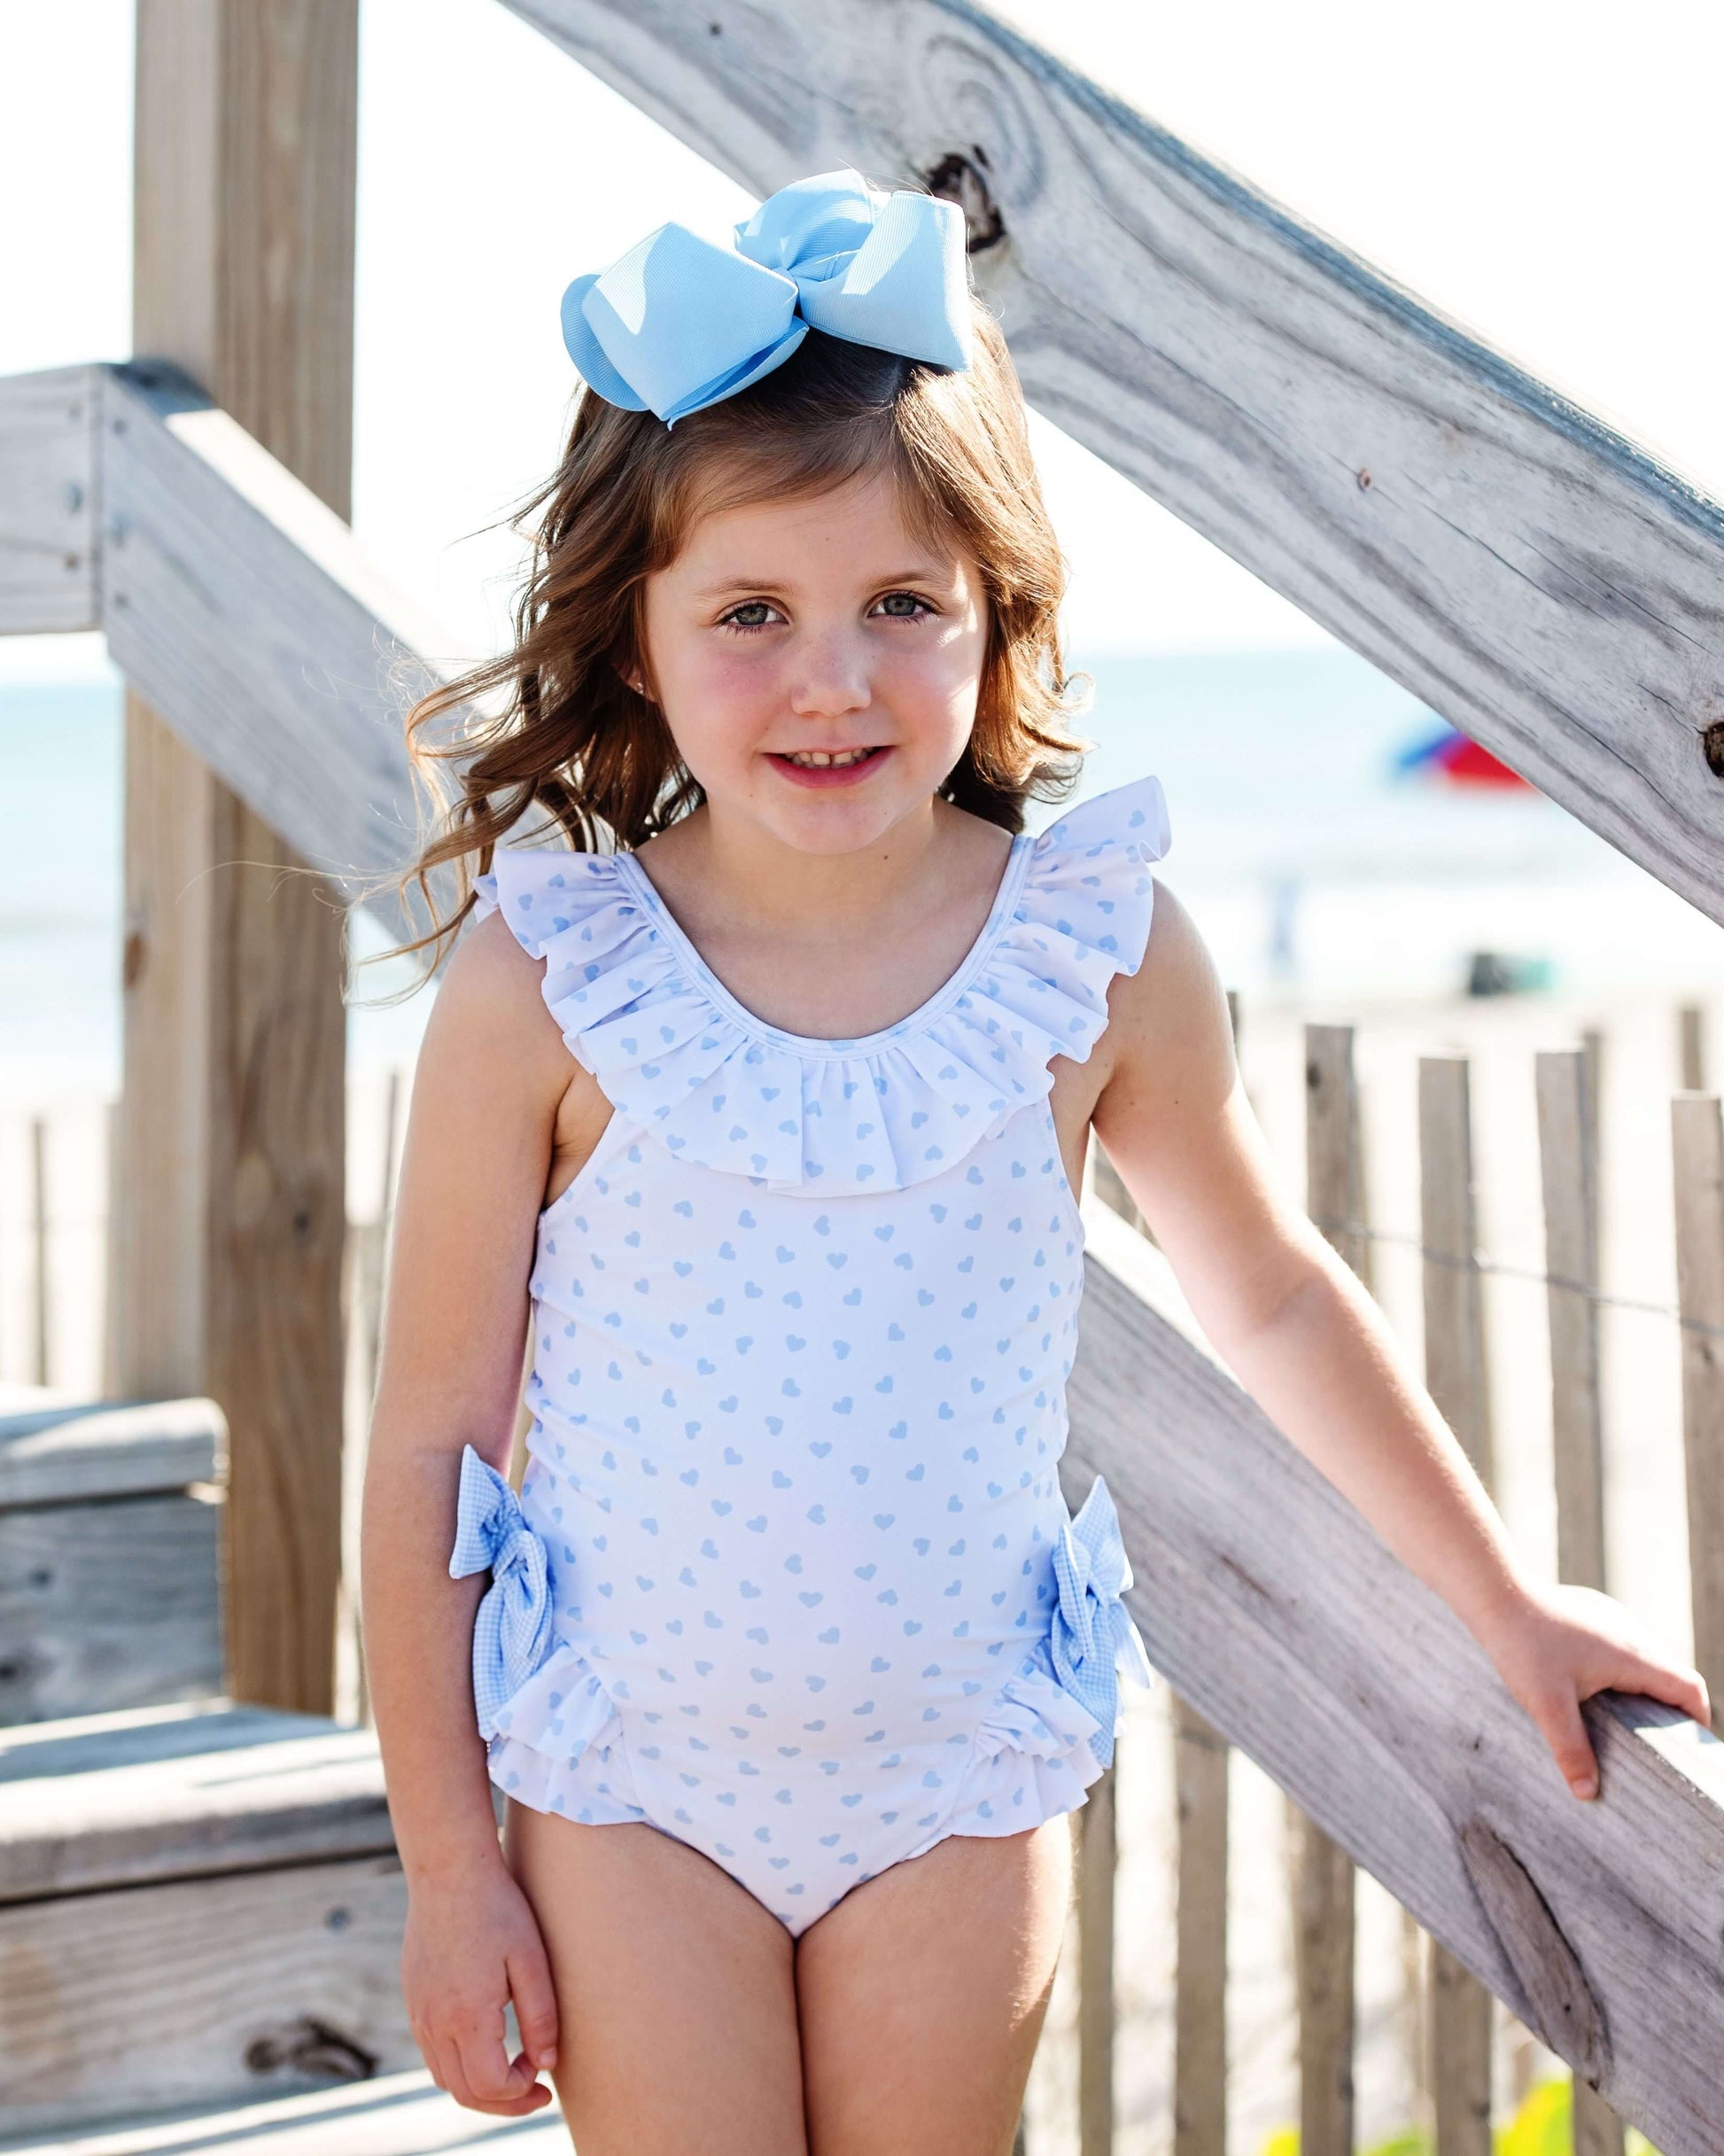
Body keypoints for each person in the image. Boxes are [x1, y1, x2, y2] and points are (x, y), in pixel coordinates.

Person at [359, 170, 1707, 2156]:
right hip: (630, 1778)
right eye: (752, 612)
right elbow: (426, 1446)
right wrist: (451, 1860)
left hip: (952, 1782)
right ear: (633, 640)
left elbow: (1266, 1287)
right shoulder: (551, 980)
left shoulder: (1089, 957)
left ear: (999, 616)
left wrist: (1503, 1602)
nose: (834, 676)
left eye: (903, 603)